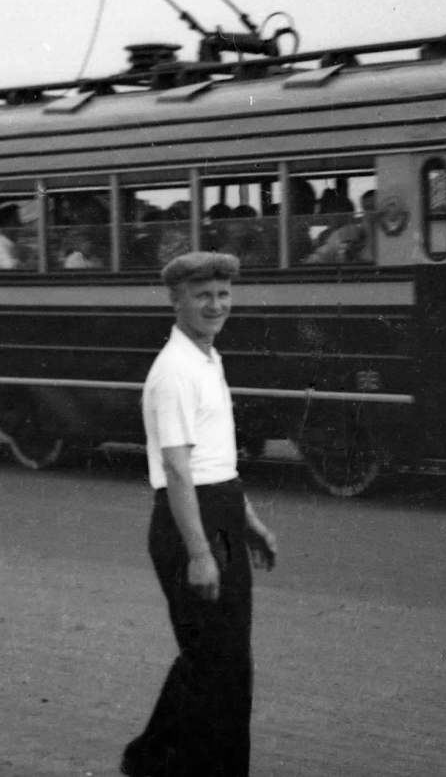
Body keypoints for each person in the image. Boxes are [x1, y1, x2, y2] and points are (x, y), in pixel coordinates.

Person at [122, 251, 278, 777]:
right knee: (222, 664)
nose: (216, 305)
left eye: (223, 294)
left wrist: (247, 519)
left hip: (218, 509)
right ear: (176, 300)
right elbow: (177, 468)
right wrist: (200, 553)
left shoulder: (208, 359)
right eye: (203, 295)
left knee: (214, 654)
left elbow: (215, 457)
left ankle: (150, 757)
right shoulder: (175, 371)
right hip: (191, 520)